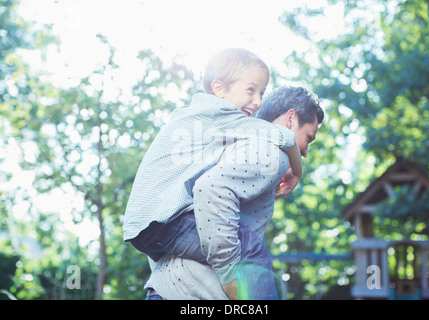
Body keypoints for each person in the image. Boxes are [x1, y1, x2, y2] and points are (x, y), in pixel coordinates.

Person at [123, 48, 303, 299]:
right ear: (219, 88)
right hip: (167, 221)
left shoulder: (191, 115)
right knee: (250, 249)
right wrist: (296, 171)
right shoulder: (221, 114)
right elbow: (284, 137)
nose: (258, 101)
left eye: (261, 92)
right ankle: (235, 288)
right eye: (250, 90)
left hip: (143, 228)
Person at [144, 85, 324, 300]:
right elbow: (210, 188)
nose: (304, 153)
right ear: (291, 119)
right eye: (308, 138)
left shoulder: (223, 147)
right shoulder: (271, 153)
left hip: (164, 289)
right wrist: (232, 283)